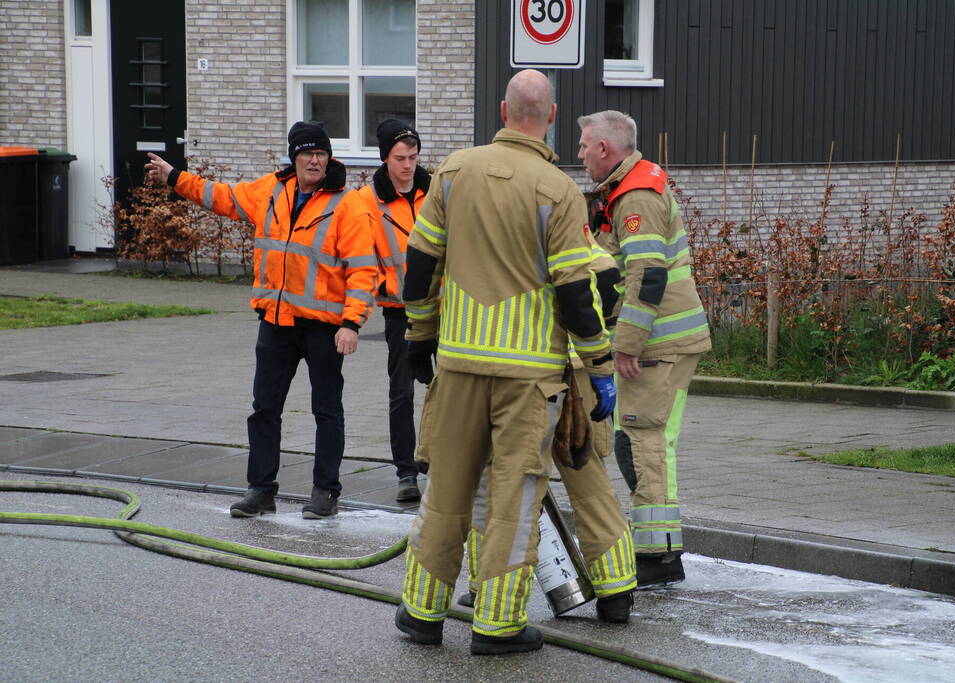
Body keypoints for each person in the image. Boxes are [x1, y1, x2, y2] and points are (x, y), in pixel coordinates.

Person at [394, 69, 616, 655]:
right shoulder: (558, 190)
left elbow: (419, 266)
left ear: (501, 109)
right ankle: (497, 626)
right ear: (552, 116)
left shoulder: (452, 171)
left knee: (446, 490)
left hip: (460, 366)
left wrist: (420, 336)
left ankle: (421, 614)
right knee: (514, 498)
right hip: (527, 379)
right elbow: (576, 290)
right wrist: (598, 364)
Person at [144, 121, 377, 520]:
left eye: (321, 154)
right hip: (276, 322)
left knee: (327, 410)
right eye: (307, 154)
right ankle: (260, 490)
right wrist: (175, 178)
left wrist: (351, 324)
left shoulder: (348, 203)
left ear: (329, 158)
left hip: (324, 326)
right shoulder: (271, 190)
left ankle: (325, 492)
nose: (315, 160)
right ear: (295, 157)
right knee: (264, 408)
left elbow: (362, 269)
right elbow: (221, 196)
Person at [457, 244, 637, 623]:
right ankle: (616, 590)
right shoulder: (578, 238)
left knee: (499, 484)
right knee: (589, 481)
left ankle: (485, 588)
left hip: (520, 380)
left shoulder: (497, 238)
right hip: (577, 373)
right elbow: (605, 284)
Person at [576, 110, 712, 587]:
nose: (579, 153)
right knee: (649, 441)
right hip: (663, 340)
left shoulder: (635, 196)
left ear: (605, 149)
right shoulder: (628, 189)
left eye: (583, 145)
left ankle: (655, 559)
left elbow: (647, 274)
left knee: (640, 440)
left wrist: (627, 345)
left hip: (656, 344)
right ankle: (659, 553)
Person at [356, 118, 430, 503]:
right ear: (385, 159)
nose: (408, 165)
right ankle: (406, 473)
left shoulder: (436, 193)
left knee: (448, 390)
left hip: (441, 309)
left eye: (413, 157)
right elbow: (362, 260)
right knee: (401, 394)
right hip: (398, 311)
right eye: (400, 158)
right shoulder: (367, 202)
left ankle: (439, 461)